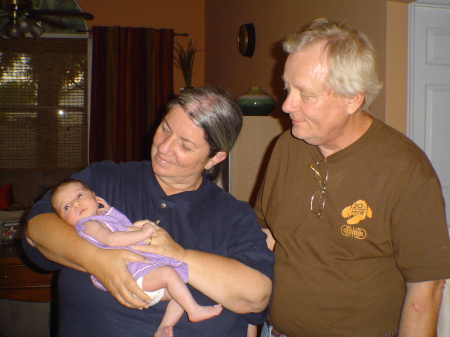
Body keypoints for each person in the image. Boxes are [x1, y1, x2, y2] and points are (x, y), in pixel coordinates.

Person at [24, 86, 274, 337]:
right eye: (165, 128)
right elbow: (37, 228)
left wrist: (179, 255)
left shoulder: (233, 215)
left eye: (185, 145)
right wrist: (97, 260)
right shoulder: (104, 179)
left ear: (214, 159)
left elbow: (256, 297)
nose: (164, 148)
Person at [256, 18, 450, 337]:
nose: (287, 105)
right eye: (288, 88)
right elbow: (267, 236)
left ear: (353, 99)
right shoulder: (286, 147)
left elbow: (425, 291)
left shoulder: (406, 169)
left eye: (306, 94)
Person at [50, 179, 223, 337]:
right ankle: (194, 310)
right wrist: (143, 233)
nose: (76, 203)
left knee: (178, 292)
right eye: (67, 207)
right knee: (170, 274)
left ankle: (164, 327)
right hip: (131, 275)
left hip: (139, 277)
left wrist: (109, 209)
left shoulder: (100, 218)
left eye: (79, 195)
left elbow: (122, 224)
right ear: (64, 220)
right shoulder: (87, 225)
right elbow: (112, 239)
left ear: (95, 197)